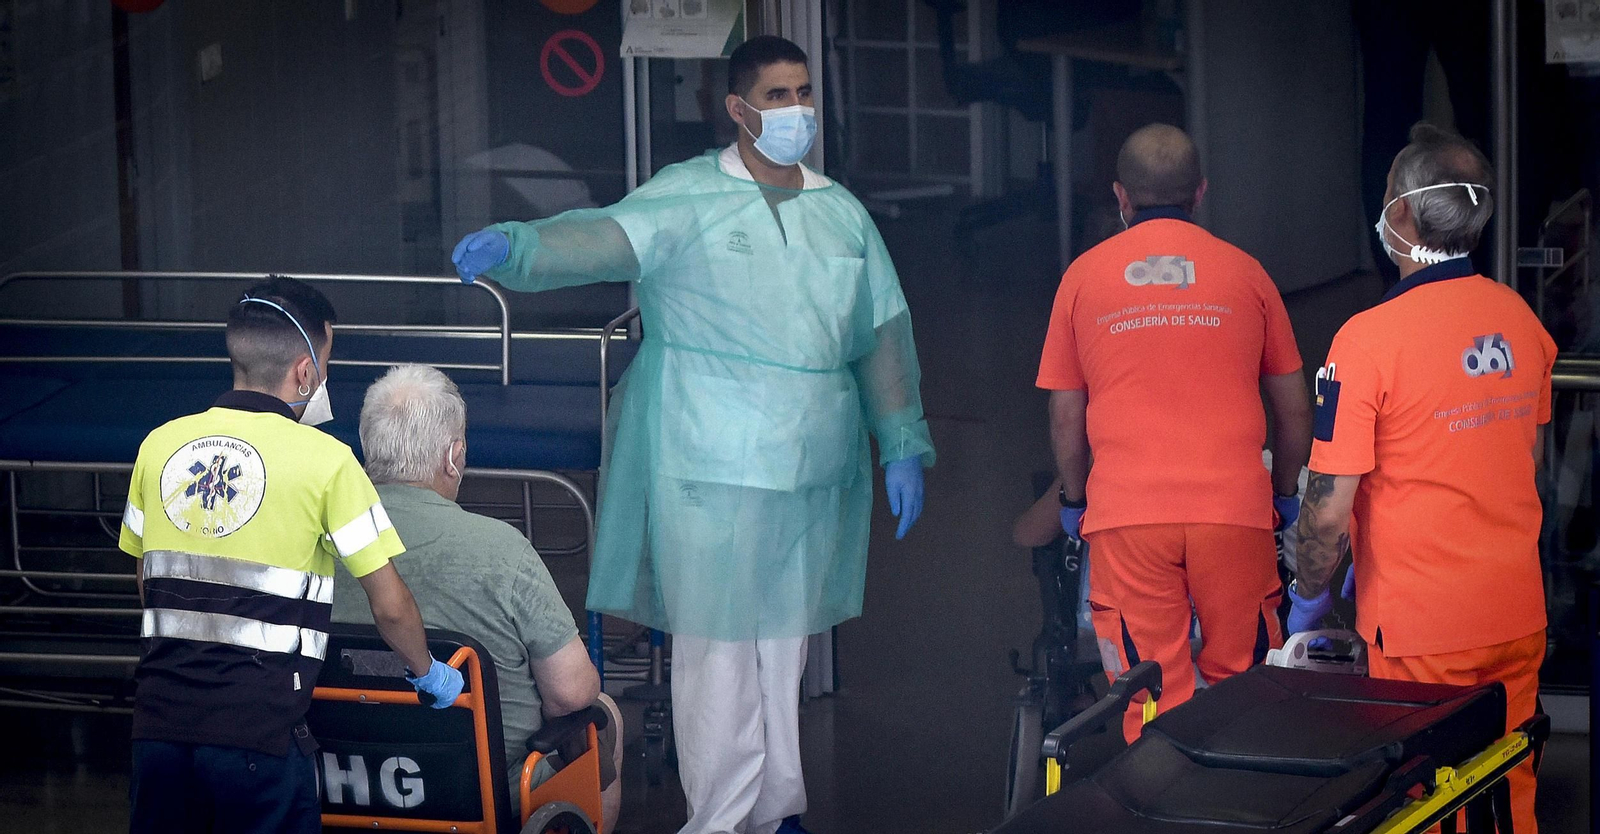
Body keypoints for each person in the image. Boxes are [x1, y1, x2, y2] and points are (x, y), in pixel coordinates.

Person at [449, 34, 935, 834]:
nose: (796, 110)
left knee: (785, 648)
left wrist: (902, 436)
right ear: (739, 110)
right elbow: (599, 238)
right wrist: (521, 247)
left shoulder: (840, 213)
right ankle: (718, 817)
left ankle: (777, 809)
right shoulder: (688, 196)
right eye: (777, 96)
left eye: (804, 92)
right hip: (706, 460)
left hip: (808, 465)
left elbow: (882, 330)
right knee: (715, 654)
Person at [118, 276, 463, 834]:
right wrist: (426, 672)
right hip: (261, 740)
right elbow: (390, 605)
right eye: (326, 363)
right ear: (305, 370)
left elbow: (147, 578)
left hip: (158, 732)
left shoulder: (159, 445)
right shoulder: (326, 461)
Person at [1289, 123, 1556, 833]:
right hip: (1515, 613)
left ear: (1402, 214)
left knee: (1428, 801)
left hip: (1422, 631)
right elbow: (1523, 461)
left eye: (1385, 198)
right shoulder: (1521, 322)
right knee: (1507, 784)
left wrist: (1307, 591)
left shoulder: (1367, 339)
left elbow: (1325, 509)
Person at [1035, 123, 1312, 742]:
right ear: (1201, 193)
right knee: (1245, 685)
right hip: (1235, 511)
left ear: (1121, 197)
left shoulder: (1082, 277)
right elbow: (1295, 409)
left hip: (1128, 515)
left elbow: (1064, 413)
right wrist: (1286, 493)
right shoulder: (1247, 274)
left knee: (1148, 692)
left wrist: (1076, 501)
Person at [330, 364, 623, 831]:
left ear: (369, 452)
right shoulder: (501, 549)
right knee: (599, 714)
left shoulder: (321, 545)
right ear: (454, 455)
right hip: (482, 796)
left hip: (349, 786)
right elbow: (571, 692)